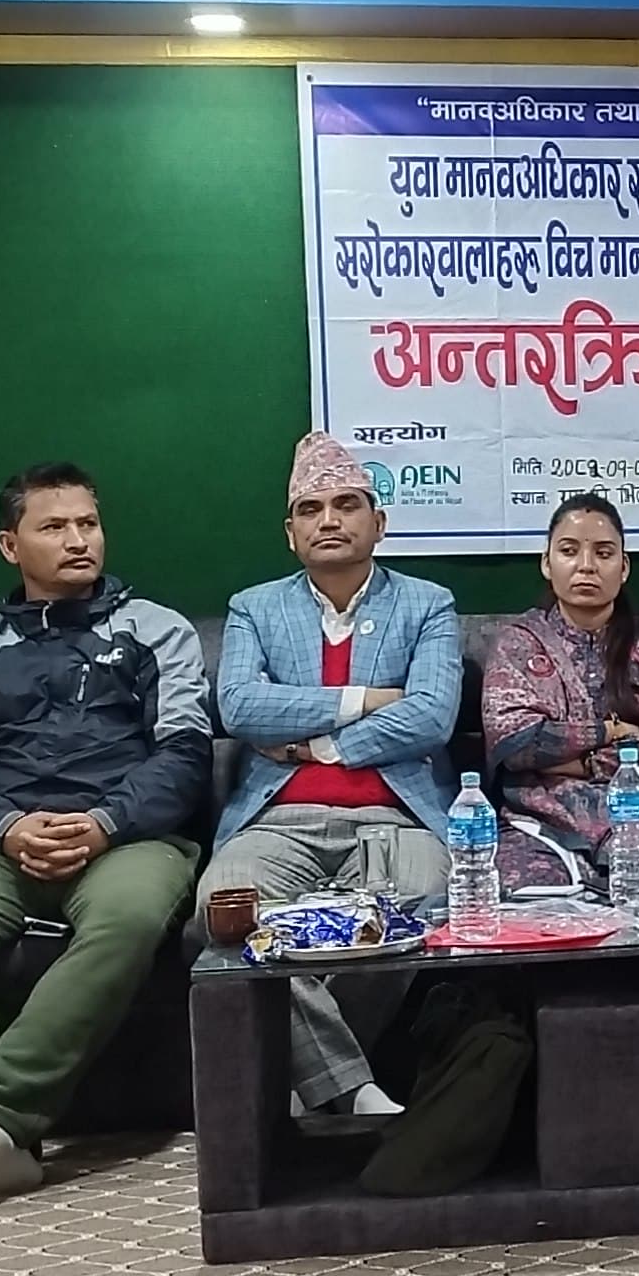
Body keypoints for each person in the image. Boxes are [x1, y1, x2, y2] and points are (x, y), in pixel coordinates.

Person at [0, 462, 211, 1199]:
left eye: (88, 523)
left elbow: (185, 756)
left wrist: (104, 822)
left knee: (127, 921)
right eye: (54, 527)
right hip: (2, 838)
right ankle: (0, 1144)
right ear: (10, 545)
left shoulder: (158, 630)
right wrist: (5, 826)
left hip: (126, 837)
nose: (77, 539)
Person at [199, 435, 468, 1138]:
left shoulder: (427, 604)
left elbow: (432, 715)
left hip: (396, 817)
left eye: (346, 504)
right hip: (278, 819)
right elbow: (240, 707)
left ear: (378, 522)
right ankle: (348, 1089)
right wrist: (367, 699)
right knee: (225, 910)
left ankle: (305, 1080)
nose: (329, 520)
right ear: (290, 533)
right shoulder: (255, 608)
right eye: (310, 509)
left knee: (423, 903)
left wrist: (319, 744)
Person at [483, 493, 639, 897]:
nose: (586, 565)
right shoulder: (518, 642)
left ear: (623, 567)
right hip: (539, 825)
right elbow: (515, 744)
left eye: (603, 553)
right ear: (547, 563)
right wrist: (613, 731)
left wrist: (580, 762)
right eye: (569, 551)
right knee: (533, 911)